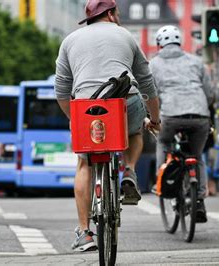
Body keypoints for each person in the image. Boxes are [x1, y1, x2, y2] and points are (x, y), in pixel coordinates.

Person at [54, 0, 161, 252]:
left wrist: (75, 119)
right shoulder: (125, 35)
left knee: (84, 162)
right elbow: (147, 83)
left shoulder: (69, 40)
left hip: (86, 108)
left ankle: (84, 232)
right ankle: (130, 171)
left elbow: (61, 90)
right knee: (135, 130)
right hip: (125, 103)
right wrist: (154, 119)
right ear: (111, 14)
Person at [149, 25, 214, 223]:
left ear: (159, 44)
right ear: (180, 42)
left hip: (170, 115)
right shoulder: (196, 61)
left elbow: (150, 94)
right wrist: (203, 107)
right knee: (196, 155)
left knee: (163, 143)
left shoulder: (153, 64)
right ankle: (199, 200)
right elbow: (209, 93)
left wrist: (150, 117)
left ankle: (162, 181)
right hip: (199, 115)